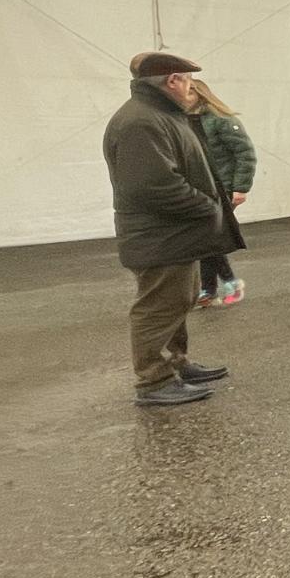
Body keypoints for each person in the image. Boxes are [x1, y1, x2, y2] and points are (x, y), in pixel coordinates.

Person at [101, 52, 236, 407]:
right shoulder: (141, 122)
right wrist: (207, 206)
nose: (192, 87)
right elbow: (151, 186)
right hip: (159, 234)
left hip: (172, 234)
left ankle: (176, 363)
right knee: (157, 306)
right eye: (188, 80)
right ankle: (153, 380)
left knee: (179, 298)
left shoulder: (157, 115)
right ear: (173, 81)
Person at [185, 79, 254, 307]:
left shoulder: (221, 120)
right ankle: (214, 288)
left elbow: (244, 153)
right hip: (199, 189)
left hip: (221, 188)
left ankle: (219, 286)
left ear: (200, 94)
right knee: (207, 238)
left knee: (208, 238)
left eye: (190, 92)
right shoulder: (184, 121)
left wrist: (241, 187)